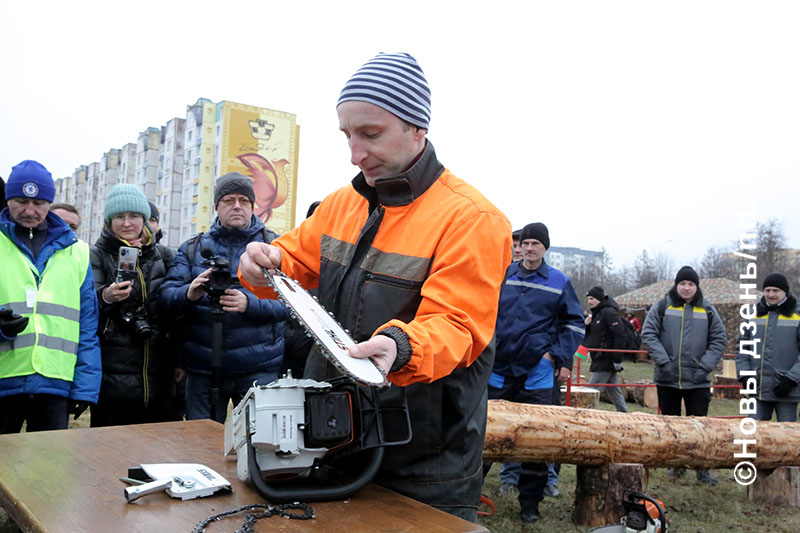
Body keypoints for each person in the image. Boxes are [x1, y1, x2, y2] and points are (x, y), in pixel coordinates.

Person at [238, 52, 511, 522]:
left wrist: (400, 345)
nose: (355, 153)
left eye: (371, 134)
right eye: (347, 135)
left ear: (418, 129)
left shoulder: (472, 219)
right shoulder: (341, 204)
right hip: (332, 437)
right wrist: (261, 264)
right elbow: (289, 263)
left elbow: (458, 323)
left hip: (424, 459)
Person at [160, 172, 288, 424]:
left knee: (259, 446)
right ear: (217, 206)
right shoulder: (192, 248)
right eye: (229, 200)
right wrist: (189, 293)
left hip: (258, 366)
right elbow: (165, 298)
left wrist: (249, 304)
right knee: (200, 447)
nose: (237, 206)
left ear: (253, 206)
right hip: (202, 368)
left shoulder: (276, 247)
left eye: (243, 200)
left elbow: (294, 304)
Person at [487, 222, 584, 523]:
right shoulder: (502, 275)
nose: (529, 249)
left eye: (535, 244)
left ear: (545, 247)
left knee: (537, 439)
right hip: (498, 369)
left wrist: (553, 356)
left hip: (536, 373)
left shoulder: (559, 281)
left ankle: (530, 503)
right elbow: (482, 310)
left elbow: (574, 324)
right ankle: (465, 495)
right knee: (483, 433)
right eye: (526, 243)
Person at [0, 159, 101, 433]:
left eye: (39, 203)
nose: (30, 210)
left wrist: (85, 388)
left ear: (49, 202)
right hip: (4, 379)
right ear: (8, 199)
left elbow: (87, 324)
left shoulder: (77, 251)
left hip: (55, 382)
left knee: (47, 472)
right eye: (21, 200)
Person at [89, 184, 176, 427]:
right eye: (119, 216)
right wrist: (106, 296)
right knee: (110, 451)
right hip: (113, 374)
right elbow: (85, 306)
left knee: (158, 453)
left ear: (145, 219)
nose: (127, 223)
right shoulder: (96, 255)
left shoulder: (164, 255)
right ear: (109, 220)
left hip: (159, 371)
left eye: (134, 216)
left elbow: (176, 310)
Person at [641, 265, 726, 485]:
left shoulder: (708, 310)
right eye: (682, 284)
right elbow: (649, 333)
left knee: (701, 427)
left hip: (697, 380)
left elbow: (719, 339)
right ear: (676, 285)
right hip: (667, 377)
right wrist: (663, 361)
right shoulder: (661, 307)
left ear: (696, 287)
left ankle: (702, 468)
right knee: (671, 426)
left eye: (690, 284)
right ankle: (675, 465)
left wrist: (704, 366)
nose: (686, 288)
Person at [736, 273, 800, 422]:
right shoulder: (752, 315)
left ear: (785, 291)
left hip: (787, 391)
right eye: (767, 290)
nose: (771, 294)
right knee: (754, 436)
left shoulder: (797, 315)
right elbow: (742, 348)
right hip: (758, 390)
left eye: (775, 291)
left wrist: (791, 379)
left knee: (785, 438)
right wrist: (745, 374)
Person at [584, 286, 629, 413]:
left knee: (590, 391)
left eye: (592, 298)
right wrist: (587, 326)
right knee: (614, 390)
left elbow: (620, 336)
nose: (589, 301)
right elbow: (593, 336)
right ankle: (624, 414)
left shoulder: (609, 313)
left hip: (606, 359)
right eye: (588, 299)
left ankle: (584, 415)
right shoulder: (597, 314)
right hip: (599, 357)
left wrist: (617, 359)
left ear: (599, 299)